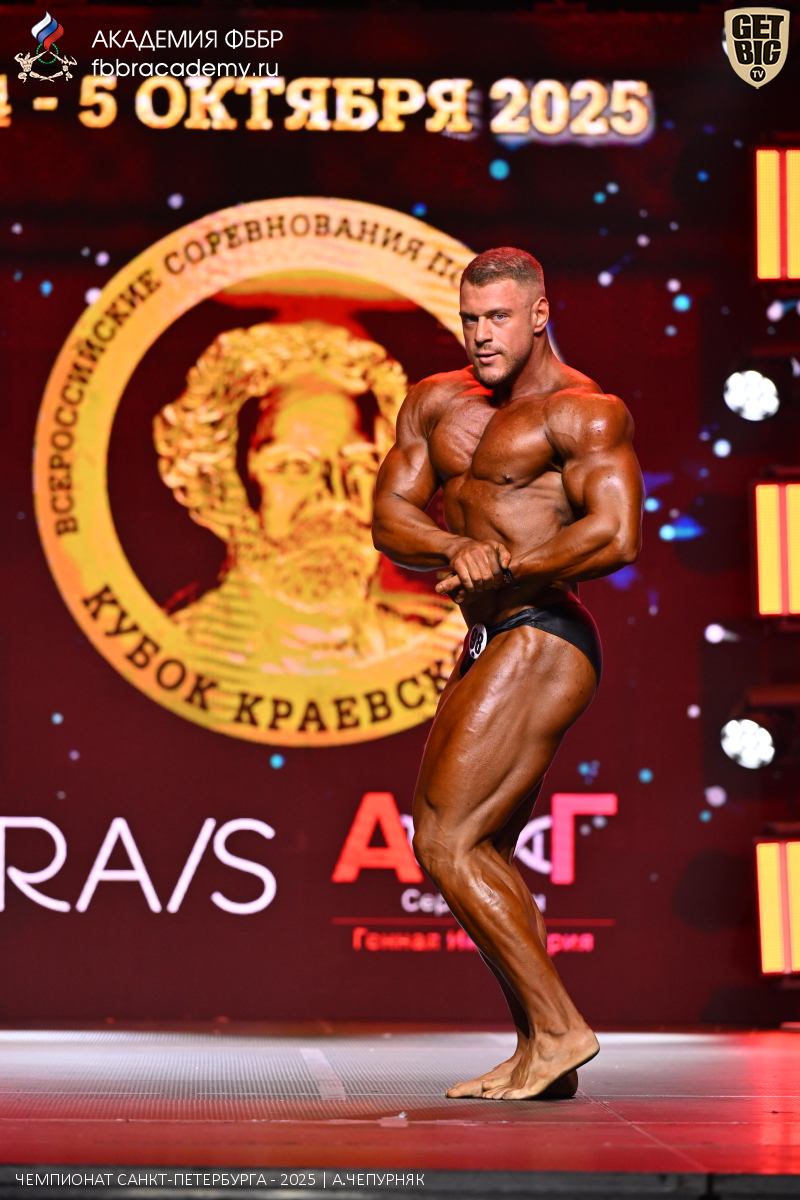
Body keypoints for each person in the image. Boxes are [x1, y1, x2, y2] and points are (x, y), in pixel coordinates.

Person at [372, 248, 643, 1099]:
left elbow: (617, 533)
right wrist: (456, 546)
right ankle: (538, 1051)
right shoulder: (437, 401)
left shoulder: (583, 413)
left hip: (545, 631)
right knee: (477, 846)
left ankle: (560, 1030)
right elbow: (389, 516)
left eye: (498, 317)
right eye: (470, 318)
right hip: (491, 635)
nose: (481, 334)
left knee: (444, 838)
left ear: (538, 314)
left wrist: (509, 566)